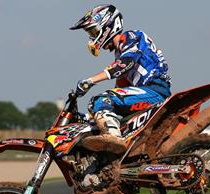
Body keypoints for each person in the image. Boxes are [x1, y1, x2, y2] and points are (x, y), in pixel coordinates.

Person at [70, 4, 171, 154]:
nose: (92, 37)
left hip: (154, 89)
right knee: (103, 106)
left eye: (93, 31)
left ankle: (114, 139)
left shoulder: (132, 37)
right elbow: (119, 89)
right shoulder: (120, 53)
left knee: (100, 100)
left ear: (107, 25)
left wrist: (91, 81)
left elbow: (124, 64)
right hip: (147, 92)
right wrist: (89, 116)